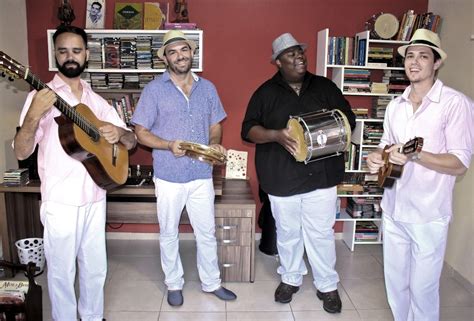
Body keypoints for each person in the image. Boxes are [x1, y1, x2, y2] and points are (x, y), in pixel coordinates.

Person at [13, 25, 137, 321]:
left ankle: (93, 317)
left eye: (76, 51)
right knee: (61, 273)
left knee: (96, 269)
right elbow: (21, 151)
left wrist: (118, 132)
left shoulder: (97, 101)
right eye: (63, 51)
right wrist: (33, 115)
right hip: (61, 201)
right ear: (54, 55)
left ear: (87, 55)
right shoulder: (40, 97)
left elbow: (130, 141)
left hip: (95, 195)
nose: (70, 57)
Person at [241, 32, 356, 314]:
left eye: (301, 52)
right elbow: (248, 130)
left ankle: (327, 285)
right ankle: (290, 278)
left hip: (322, 175)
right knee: (289, 233)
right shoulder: (265, 93)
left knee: (320, 234)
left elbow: (346, 119)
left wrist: (328, 131)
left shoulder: (325, 87)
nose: (300, 57)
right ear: (278, 62)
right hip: (281, 177)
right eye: (291, 54)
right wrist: (276, 135)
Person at [366, 29, 473, 321]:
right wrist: (377, 157)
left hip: (429, 213)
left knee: (423, 290)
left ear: (436, 63)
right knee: (396, 286)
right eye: (410, 56)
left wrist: (417, 155)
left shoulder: (455, 104)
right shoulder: (395, 105)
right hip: (393, 208)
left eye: (423, 56)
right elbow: (386, 144)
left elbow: (460, 162)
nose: (414, 62)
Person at [131, 30, 237, 307]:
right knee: (169, 232)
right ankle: (174, 284)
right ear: (165, 58)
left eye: (184, 50)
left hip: (202, 174)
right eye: (173, 52)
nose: (180, 56)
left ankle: (212, 283)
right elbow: (140, 132)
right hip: (168, 176)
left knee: (206, 232)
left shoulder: (208, 88)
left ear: (192, 53)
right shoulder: (154, 90)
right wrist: (167, 145)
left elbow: (216, 124)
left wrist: (214, 144)